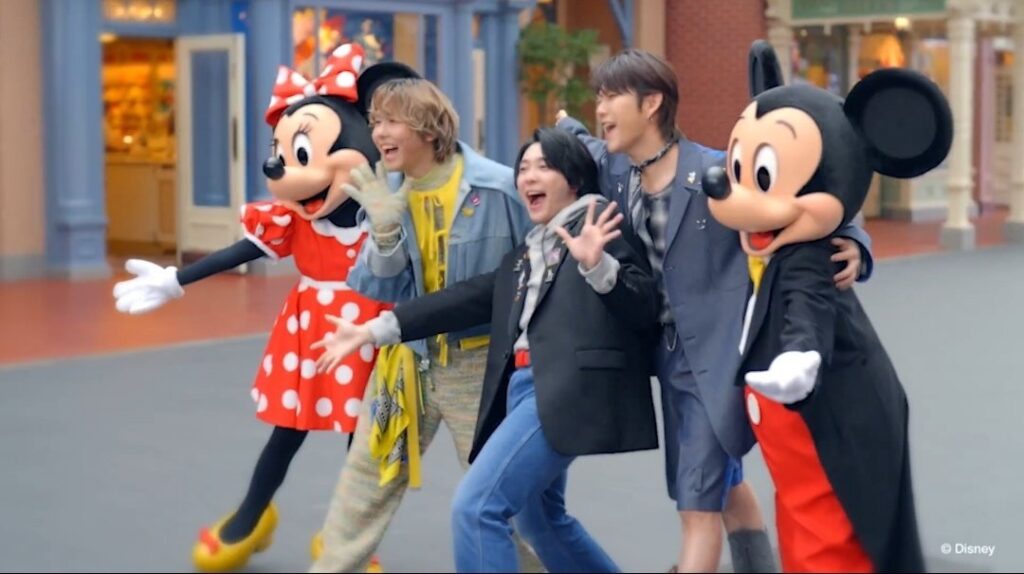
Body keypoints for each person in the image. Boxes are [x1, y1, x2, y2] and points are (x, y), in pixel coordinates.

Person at [556, 47, 875, 573]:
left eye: (611, 97)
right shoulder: (614, 168)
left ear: (652, 103)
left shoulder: (716, 171)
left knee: (697, 503)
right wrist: (562, 126)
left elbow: (806, 190)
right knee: (720, 486)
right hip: (664, 355)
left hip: (720, 357)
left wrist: (856, 241)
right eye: (598, 97)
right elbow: (575, 143)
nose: (601, 109)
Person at [314, 127, 661, 573]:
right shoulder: (530, 251)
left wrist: (598, 266)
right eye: (523, 168)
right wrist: (373, 330)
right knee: (539, 520)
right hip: (523, 388)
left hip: (561, 391)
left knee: (476, 507)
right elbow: (463, 300)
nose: (528, 177)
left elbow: (643, 307)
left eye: (543, 166)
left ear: (574, 180)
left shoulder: (597, 227)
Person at [308, 75, 543, 573]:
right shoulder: (385, 192)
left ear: (428, 129)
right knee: (362, 486)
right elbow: (377, 285)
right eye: (375, 122)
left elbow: (535, 272)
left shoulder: (500, 187)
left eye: (391, 121)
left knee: (500, 503)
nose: (378, 133)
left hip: (478, 370)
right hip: (405, 364)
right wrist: (385, 233)